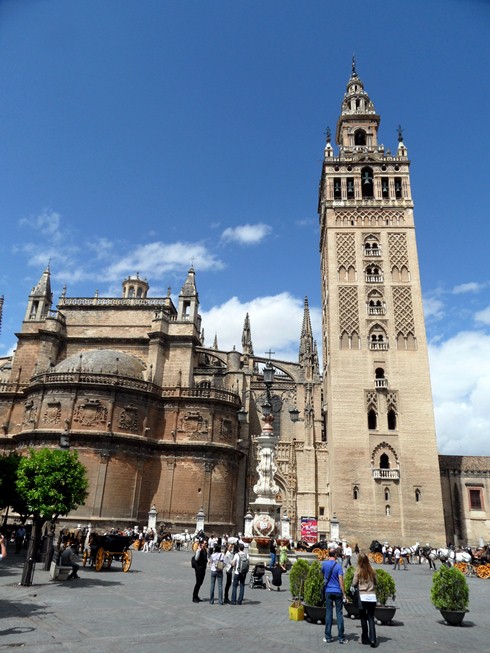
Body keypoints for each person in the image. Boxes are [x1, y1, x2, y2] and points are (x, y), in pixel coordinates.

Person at [322, 547, 348, 644]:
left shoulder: (324, 564)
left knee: (328, 613)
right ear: (336, 555)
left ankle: (328, 636)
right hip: (337, 591)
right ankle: (341, 637)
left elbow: (323, 575)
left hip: (328, 591)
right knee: (339, 613)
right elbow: (341, 581)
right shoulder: (338, 566)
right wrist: (344, 594)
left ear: (329, 555)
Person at [351, 553, 377, 647]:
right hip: (372, 596)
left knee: (363, 618)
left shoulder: (358, 570)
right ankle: (373, 639)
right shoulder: (372, 570)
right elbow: (376, 581)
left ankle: (365, 638)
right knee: (371, 618)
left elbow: (354, 583)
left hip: (362, 596)